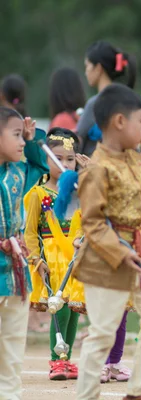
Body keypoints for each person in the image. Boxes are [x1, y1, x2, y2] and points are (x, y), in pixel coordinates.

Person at [73, 83, 141, 400]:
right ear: (118, 122)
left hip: (139, 253)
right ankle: (86, 395)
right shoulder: (96, 169)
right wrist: (119, 251)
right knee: (102, 333)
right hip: (107, 260)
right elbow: (93, 222)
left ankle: (138, 391)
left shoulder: (137, 160)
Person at [25, 128, 86, 380]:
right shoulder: (38, 194)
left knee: (73, 311)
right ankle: (56, 359)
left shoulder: (80, 193)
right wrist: (36, 260)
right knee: (58, 309)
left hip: (75, 258)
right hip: (51, 260)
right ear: (46, 160)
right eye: (57, 158)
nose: (64, 164)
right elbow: (29, 233)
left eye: (70, 159)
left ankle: (67, 358)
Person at [0, 107, 48, 399]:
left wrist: (31, 141)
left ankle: (10, 394)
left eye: (22, 136)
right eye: (16, 135)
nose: (21, 142)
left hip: (15, 271)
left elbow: (41, 167)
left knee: (13, 342)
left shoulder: (19, 172)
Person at [77, 41, 137, 156]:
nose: (86, 72)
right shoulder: (131, 103)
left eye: (87, 66)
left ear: (98, 68)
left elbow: (77, 144)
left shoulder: (96, 103)